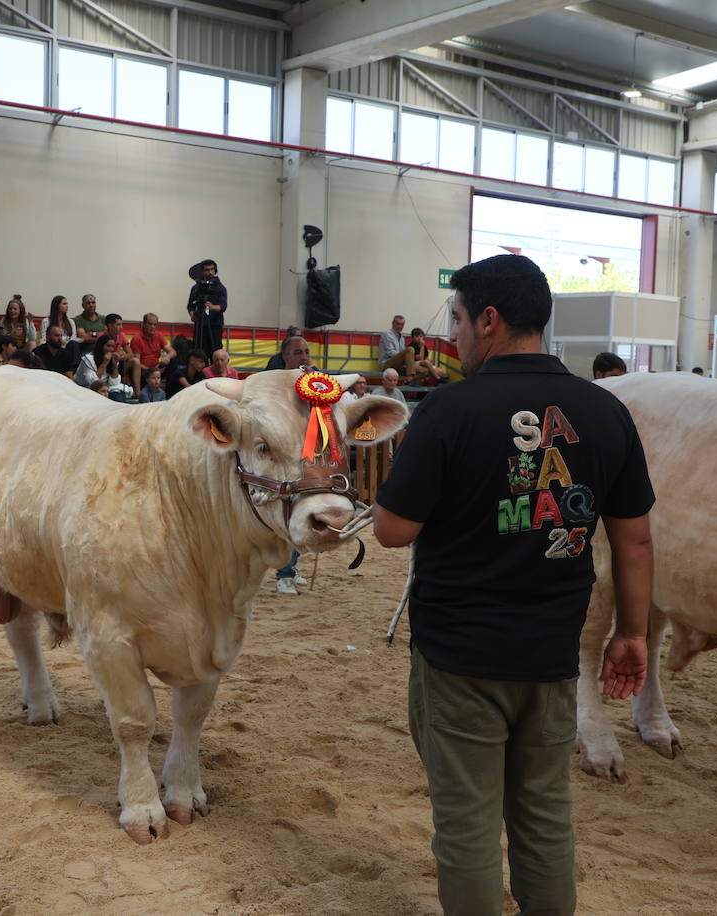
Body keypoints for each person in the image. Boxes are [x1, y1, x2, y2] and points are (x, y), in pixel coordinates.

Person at [373, 253, 655, 916]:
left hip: (459, 658)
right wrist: (633, 633)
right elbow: (635, 538)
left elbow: (391, 530)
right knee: (545, 818)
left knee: (468, 824)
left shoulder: (449, 410)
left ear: (491, 320)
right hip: (553, 655)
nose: (453, 336)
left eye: (459, 320)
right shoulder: (603, 411)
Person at [272, 335, 315, 595]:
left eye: (307, 352)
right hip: (280, 460)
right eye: (298, 352)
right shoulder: (275, 383)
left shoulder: (315, 381)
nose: (304, 357)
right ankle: (284, 573)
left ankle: (292, 567)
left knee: (303, 515)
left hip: (306, 455)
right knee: (287, 517)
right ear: (285, 356)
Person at [187, 259, 227, 355]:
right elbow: (190, 305)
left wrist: (211, 307)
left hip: (214, 326)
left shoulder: (220, 288)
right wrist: (192, 314)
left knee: (215, 351)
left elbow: (223, 306)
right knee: (198, 351)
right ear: (202, 271)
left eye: (212, 269)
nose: (210, 272)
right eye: (207, 270)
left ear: (215, 270)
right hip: (200, 324)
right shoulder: (196, 288)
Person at [77, 333, 133, 402]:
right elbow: (92, 382)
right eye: (108, 346)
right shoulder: (88, 359)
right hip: (86, 389)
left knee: (118, 394)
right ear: (101, 346)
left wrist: (115, 365)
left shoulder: (113, 359)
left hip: (104, 389)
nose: (111, 349)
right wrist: (104, 363)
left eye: (113, 346)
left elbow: (115, 383)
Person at [127, 312, 173, 393]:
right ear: (144, 324)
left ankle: (170, 393)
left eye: (155, 325)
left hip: (156, 368)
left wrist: (167, 357)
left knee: (173, 361)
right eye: (150, 324)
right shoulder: (137, 338)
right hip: (144, 371)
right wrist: (152, 370)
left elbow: (173, 351)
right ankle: (138, 394)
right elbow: (137, 363)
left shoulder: (159, 335)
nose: (152, 327)